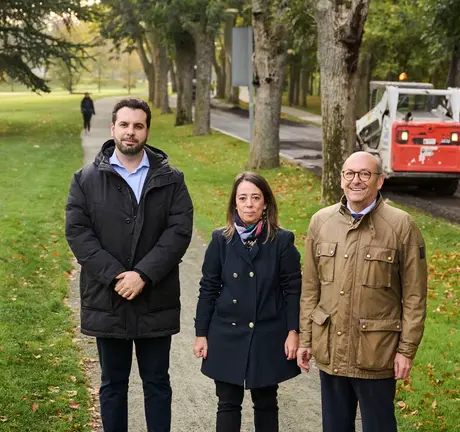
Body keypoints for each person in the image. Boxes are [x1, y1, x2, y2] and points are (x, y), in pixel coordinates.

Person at [65, 97, 193, 432]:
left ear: (147, 131)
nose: (130, 132)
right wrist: (116, 277)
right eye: (124, 124)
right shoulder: (85, 179)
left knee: (157, 383)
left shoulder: (172, 179)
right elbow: (78, 233)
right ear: (113, 128)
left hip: (156, 298)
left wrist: (144, 275)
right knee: (113, 384)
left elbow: (179, 231)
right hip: (108, 299)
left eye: (138, 126)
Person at [297, 151, 428, 432]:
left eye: (365, 174)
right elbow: (310, 289)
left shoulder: (401, 225)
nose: (356, 180)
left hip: (376, 354)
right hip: (331, 351)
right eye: (350, 173)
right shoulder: (321, 222)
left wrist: (406, 350)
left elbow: (415, 297)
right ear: (341, 179)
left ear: (379, 181)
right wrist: (306, 341)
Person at [193, 172, 302, 432]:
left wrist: (293, 331)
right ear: (234, 203)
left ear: (266, 203)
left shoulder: (281, 240)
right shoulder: (221, 240)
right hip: (227, 332)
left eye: (256, 198)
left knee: (266, 401)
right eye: (243, 198)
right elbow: (208, 288)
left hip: (267, 332)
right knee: (228, 402)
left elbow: (292, 290)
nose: (249, 204)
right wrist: (201, 334)